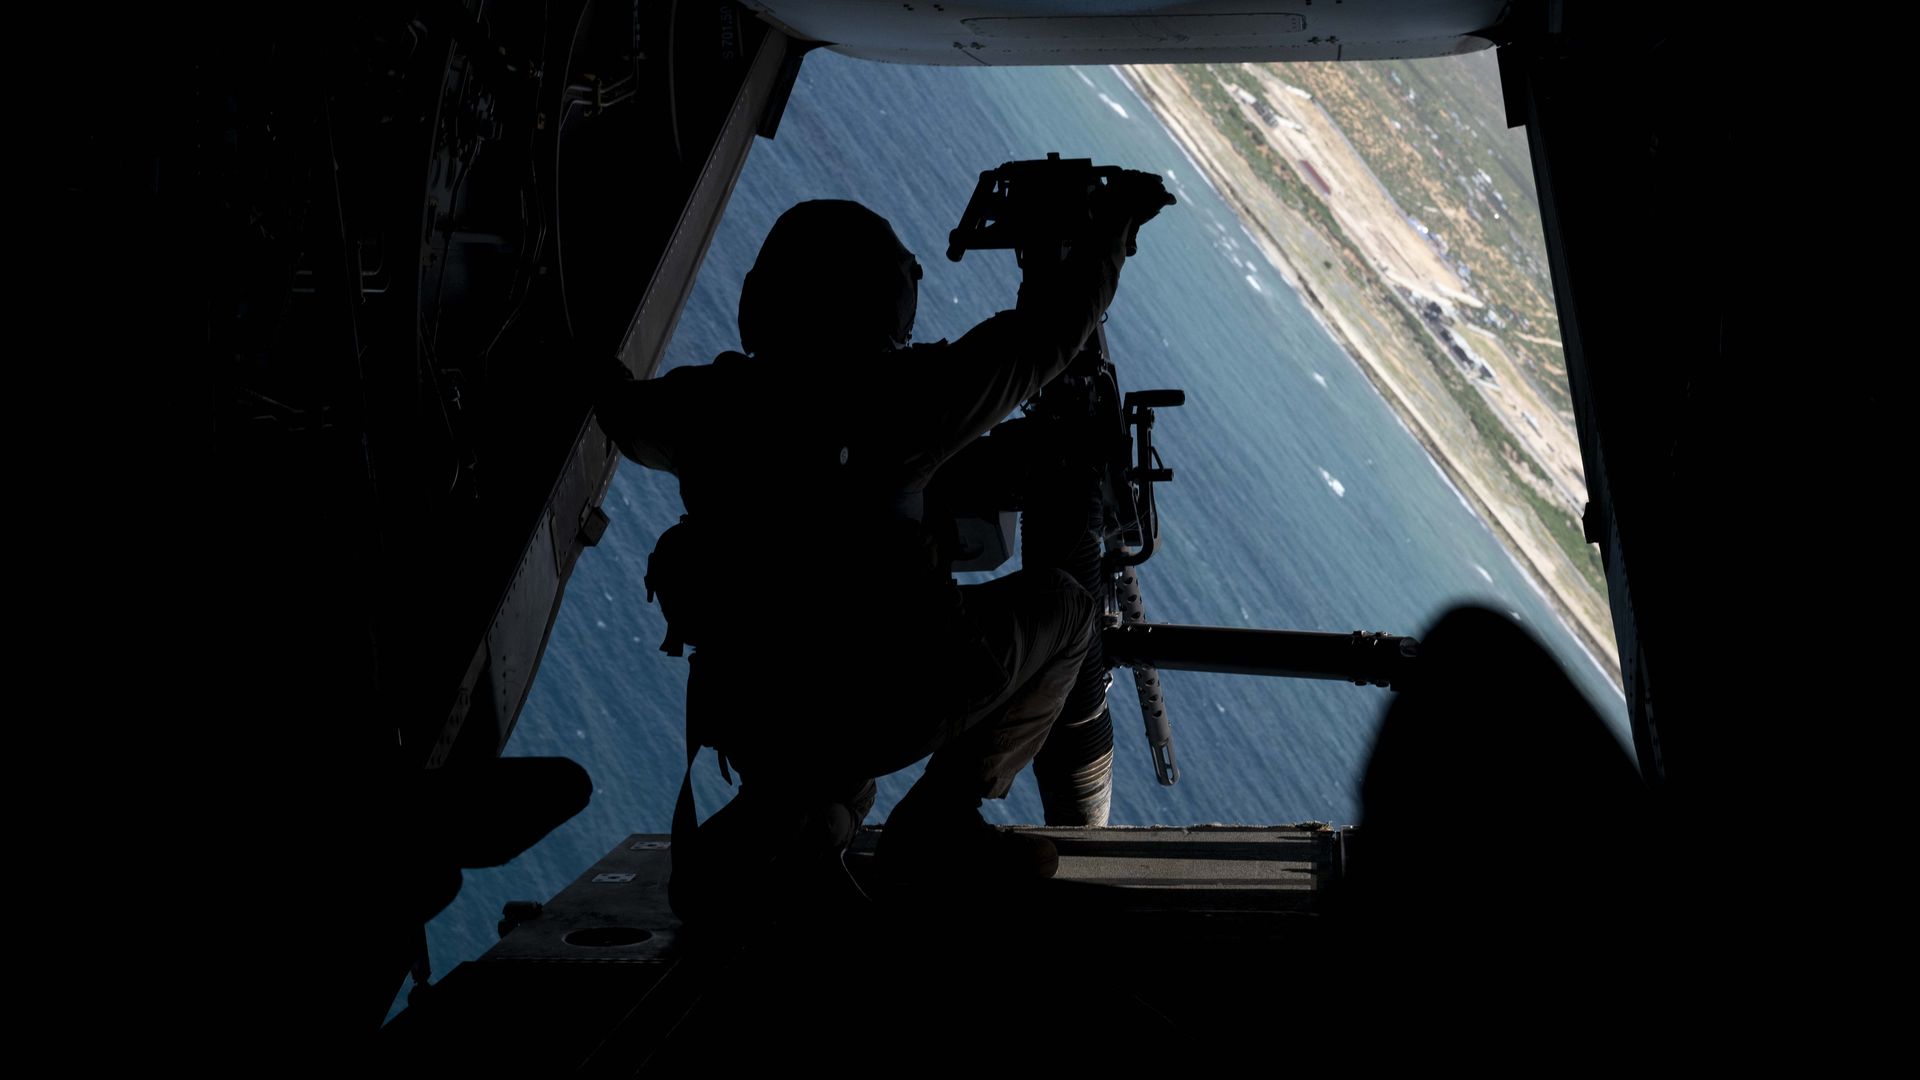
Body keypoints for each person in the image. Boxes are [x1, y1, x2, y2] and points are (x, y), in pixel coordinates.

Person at [596, 177, 1169, 920]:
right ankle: (940, 817)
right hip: (870, 714)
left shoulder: (703, 403)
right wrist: (1113, 234)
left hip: (752, 717)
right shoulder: (907, 398)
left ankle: (794, 817)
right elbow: (1049, 334)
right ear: (876, 300)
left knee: (827, 680)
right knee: (1065, 609)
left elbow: (620, 410)